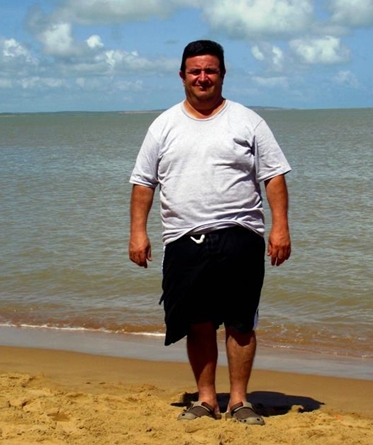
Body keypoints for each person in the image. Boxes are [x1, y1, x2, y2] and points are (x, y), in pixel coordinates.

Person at [128, 40, 291, 425]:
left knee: (241, 323)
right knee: (197, 323)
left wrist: (280, 227)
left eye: (210, 71)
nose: (203, 78)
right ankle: (205, 400)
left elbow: (273, 176)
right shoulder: (164, 125)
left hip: (240, 235)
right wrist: (137, 232)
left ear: (222, 74)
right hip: (183, 238)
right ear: (182, 75)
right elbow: (143, 182)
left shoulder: (248, 121)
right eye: (195, 71)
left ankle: (239, 400)